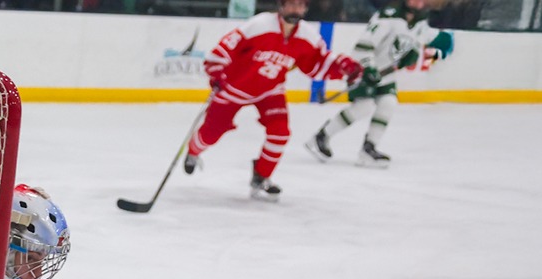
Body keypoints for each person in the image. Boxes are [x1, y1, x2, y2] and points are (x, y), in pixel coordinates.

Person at [183, 0, 361, 201]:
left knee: (280, 132)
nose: (296, 9)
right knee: (211, 133)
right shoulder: (259, 25)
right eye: (291, 4)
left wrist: (346, 67)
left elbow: (317, 63)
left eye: (300, 5)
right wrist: (216, 73)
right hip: (232, 88)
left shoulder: (307, 35)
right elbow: (222, 50)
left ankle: (261, 177)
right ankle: (193, 151)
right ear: (281, 5)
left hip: (269, 90)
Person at [308, 0, 455, 167]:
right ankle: (320, 137)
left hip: (385, 74)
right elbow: (364, 45)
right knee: (363, 107)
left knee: (388, 103)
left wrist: (431, 44)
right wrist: (368, 67)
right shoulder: (388, 16)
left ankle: (368, 149)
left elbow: (421, 38)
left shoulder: (420, 20)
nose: (418, 2)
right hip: (362, 68)